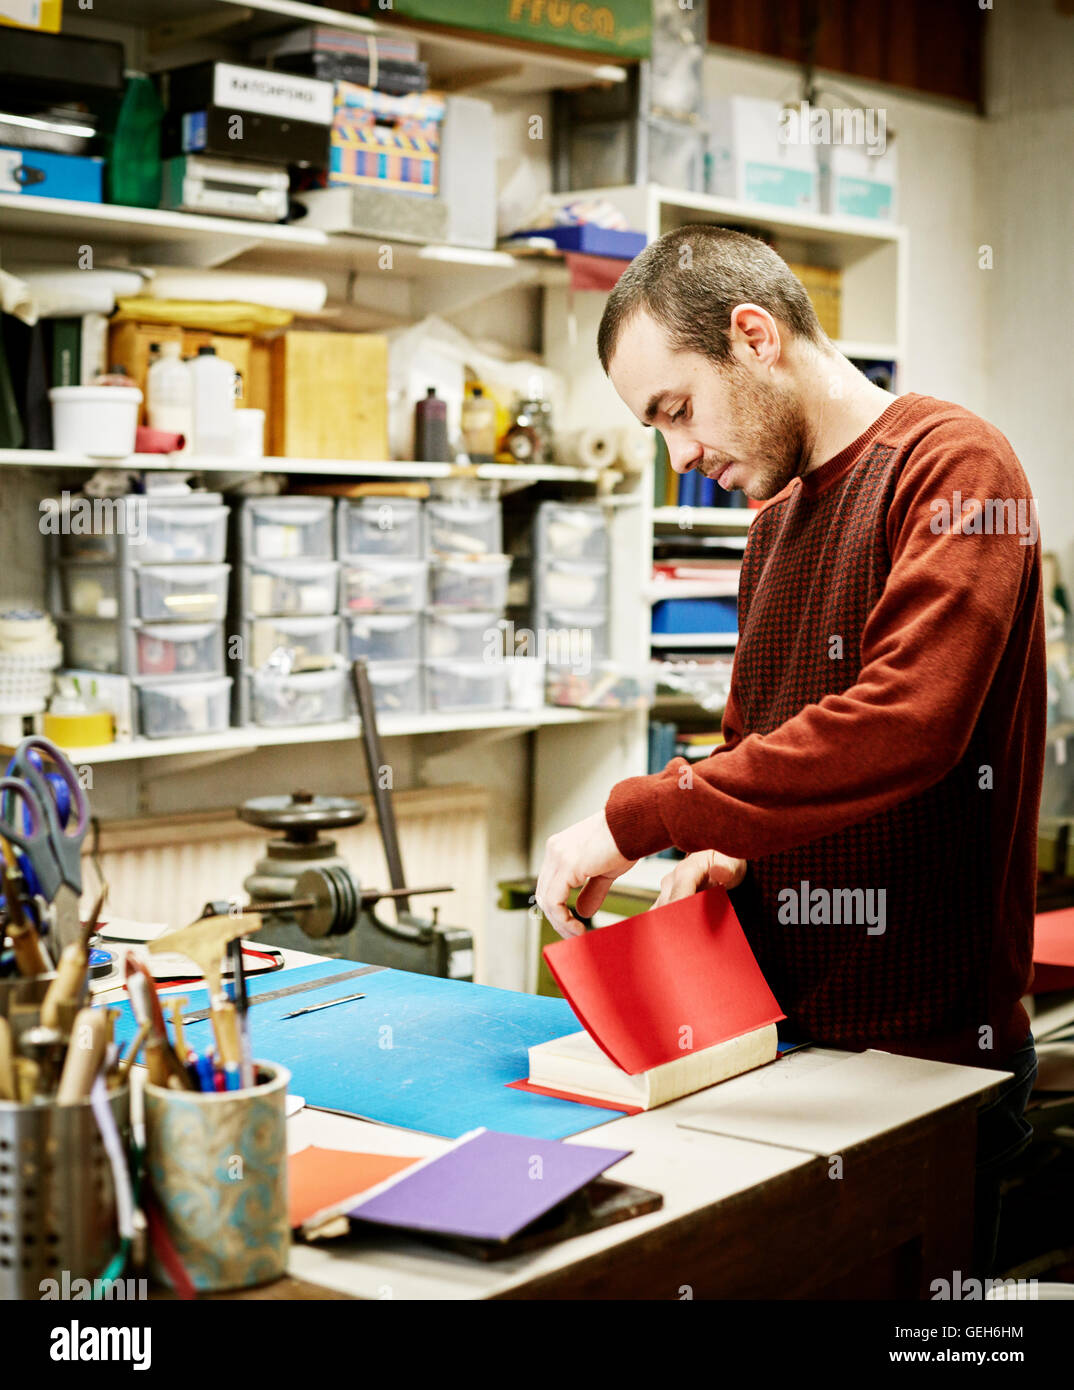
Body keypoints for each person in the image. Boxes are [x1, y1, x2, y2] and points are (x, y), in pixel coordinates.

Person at [534, 224, 1044, 1274]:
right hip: (778, 1054)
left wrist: (643, 813)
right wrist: (724, 857)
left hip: (929, 1066)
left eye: (675, 409)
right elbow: (765, 754)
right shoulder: (771, 530)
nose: (678, 455)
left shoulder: (952, 466)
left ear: (754, 336)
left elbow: (907, 723)